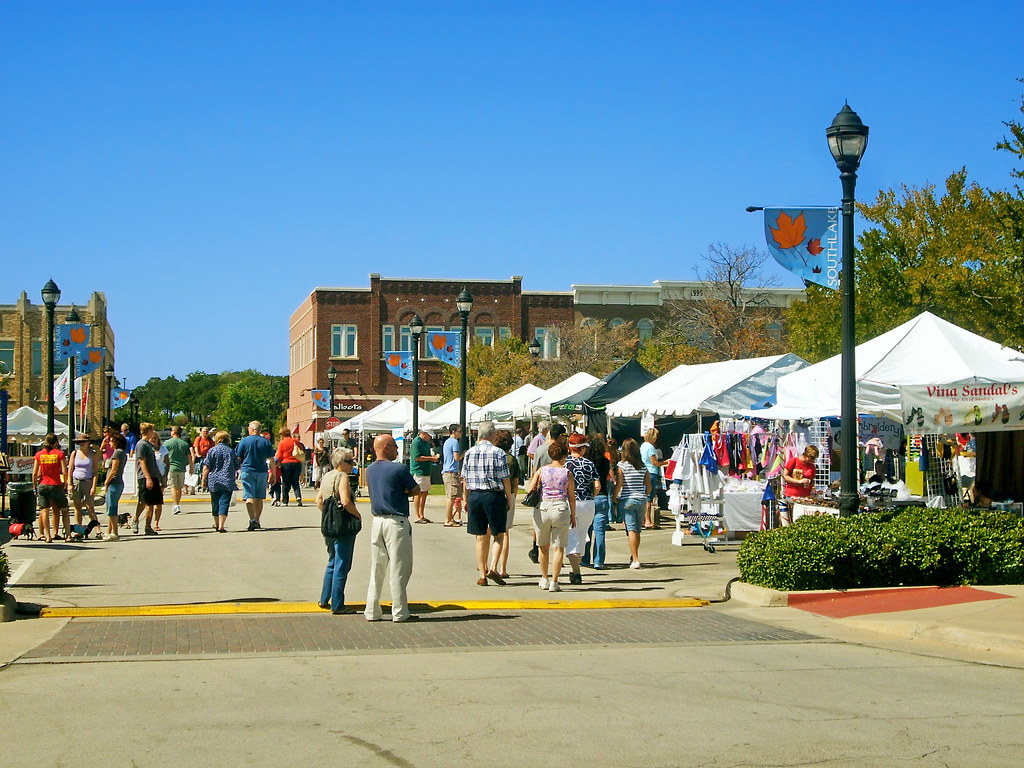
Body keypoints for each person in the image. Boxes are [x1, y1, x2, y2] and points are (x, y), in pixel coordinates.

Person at [363, 433, 419, 623]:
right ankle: (400, 611)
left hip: (377, 521)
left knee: (377, 568)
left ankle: (372, 610)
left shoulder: (370, 469)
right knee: (399, 568)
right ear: (386, 448)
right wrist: (403, 492)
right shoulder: (399, 469)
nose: (397, 449)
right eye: (394, 445)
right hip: (396, 521)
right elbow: (416, 489)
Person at [460, 421, 512, 587]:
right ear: (491, 435)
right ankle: (493, 567)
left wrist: (466, 498)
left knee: (480, 537)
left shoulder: (469, 452)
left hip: (475, 495)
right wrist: (509, 498)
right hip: (493, 495)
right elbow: (505, 478)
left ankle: (482, 574)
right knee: (498, 534)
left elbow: (465, 479)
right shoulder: (498, 452)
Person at [523, 440, 575, 592]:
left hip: (543, 507)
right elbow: (571, 497)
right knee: (558, 548)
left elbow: (529, 489)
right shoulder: (567, 473)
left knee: (543, 546)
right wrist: (573, 515)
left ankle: (544, 577)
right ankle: (555, 581)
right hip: (560, 507)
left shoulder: (541, 470)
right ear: (564, 456)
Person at [315, 447, 362, 614]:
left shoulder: (327, 476)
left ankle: (324, 598)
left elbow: (319, 500)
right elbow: (345, 501)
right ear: (341, 463)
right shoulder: (343, 477)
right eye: (349, 461)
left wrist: (328, 514)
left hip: (328, 524)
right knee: (342, 564)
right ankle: (337, 604)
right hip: (342, 525)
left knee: (332, 561)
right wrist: (357, 515)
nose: (352, 465)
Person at [528, 422, 567, 563]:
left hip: (541, 488)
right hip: (557, 491)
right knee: (558, 529)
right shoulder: (561, 450)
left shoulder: (540, 449)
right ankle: (556, 557)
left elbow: (535, 469)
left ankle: (536, 548)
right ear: (561, 436)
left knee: (539, 523)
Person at [564, 433, 599, 585]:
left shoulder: (564, 463)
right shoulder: (589, 464)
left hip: (568, 503)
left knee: (570, 537)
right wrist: (591, 495)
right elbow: (597, 485)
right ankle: (575, 568)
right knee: (582, 535)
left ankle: (576, 571)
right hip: (587, 503)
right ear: (583, 448)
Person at [489, 429, 522, 579]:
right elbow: (515, 482)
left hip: (491, 493)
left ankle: (487, 564)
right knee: (505, 532)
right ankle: (502, 567)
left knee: (488, 531)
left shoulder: (492, 456)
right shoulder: (511, 460)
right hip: (508, 494)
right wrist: (512, 497)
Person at [614, 438, 651, 569]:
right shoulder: (643, 467)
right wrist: (643, 495)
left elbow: (620, 484)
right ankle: (634, 555)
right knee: (637, 530)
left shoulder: (622, 466)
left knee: (631, 530)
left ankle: (635, 559)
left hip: (627, 499)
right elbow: (649, 486)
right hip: (641, 500)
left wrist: (614, 497)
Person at [236, 420, 276, 531]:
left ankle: (252, 519)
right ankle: (257, 520)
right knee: (259, 497)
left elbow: (238, 458)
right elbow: (271, 460)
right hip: (262, 471)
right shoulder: (266, 442)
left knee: (249, 496)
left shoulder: (244, 441)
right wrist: (273, 474)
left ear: (251, 429)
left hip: (247, 471)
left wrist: (234, 471)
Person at [33, 432, 69, 543]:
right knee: (64, 509)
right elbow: (64, 471)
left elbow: (34, 473)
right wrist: (65, 483)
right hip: (56, 484)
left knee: (44, 511)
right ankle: (67, 535)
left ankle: (47, 536)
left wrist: (34, 486)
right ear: (55, 442)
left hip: (43, 484)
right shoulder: (59, 454)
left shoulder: (39, 454)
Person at [203, 430, 239, 532]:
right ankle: (221, 526)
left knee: (215, 503)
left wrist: (203, 480)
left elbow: (206, 466)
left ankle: (216, 523)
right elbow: (236, 465)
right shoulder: (231, 451)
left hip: (213, 480)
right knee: (224, 502)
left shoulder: (212, 451)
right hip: (227, 479)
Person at [132, 423, 162, 535]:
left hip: (153, 476)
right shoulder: (141, 444)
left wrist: (159, 477)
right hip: (144, 477)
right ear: (148, 431)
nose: (154, 433)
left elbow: (153, 462)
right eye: (152, 430)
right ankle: (135, 519)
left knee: (151, 503)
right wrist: (148, 478)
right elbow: (142, 461)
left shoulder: (149, 445)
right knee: (143, 501)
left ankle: (148, 527)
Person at [588, 434, 613, 569]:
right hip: (602, 496)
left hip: (589, 498)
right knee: (600, 532)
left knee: (586, 531)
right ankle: (598, 560)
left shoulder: (587, 462)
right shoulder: (605, 462)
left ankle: (585, 559)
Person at [781, 444, 820, 525]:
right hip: (792, 496)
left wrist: (813, 490)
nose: (813, 460)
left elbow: (812, 480)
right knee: (792, 518)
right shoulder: (794, 461)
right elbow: (785, 476)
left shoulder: (812, 466)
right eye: (812, 458)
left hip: (806, 497)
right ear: (806, 455)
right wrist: (799, 481)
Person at [68, 434, 100, 530]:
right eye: (79, 442)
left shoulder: (93, 454)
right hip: (76, 481)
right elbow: (70, 469)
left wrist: (94, 486)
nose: (81, 444)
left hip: (88, 481)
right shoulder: (75, 453)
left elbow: (95, 472)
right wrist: (69, 483)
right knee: (77, 507)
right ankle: (79, 529)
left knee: (90, 507)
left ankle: (97, 529)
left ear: (88, 443)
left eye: (83, 442)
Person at [641, 427, 669, 529]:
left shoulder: (643, 446)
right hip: (651, 472)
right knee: (649, 497)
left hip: (644, 471)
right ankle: (648, 520)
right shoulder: (651, 448)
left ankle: (643, 519)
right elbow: (654, 463)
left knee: (644, 496)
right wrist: (666, 462)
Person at [102, 433, 127, 541]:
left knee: (112, 509)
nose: (110, 443)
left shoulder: (117, 453)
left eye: (111, 441)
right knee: (110, 509)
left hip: (114, 483)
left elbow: (114, 470)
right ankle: (109, 531)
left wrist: (106, 482)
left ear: (117, 442)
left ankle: (115, 533)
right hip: (117, 483)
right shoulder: (122, 453)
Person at [164, 426, 194, 515]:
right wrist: (191, 467)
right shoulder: (184, 444)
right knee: (179, 488)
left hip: (171, 468)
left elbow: (163, 455)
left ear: (173, 432)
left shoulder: (167, 443)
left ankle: (175, 505)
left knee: (173, 487)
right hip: (181, 468)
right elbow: (189, 457)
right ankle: (177, 504)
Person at [410, 428, 438, 523]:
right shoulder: (416, 442)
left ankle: (422, 514)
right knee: (418, 492)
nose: (429, 437)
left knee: (425, 492)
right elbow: (417, 457)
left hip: (426, 471)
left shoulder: (426, 443)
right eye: (428, 435)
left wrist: (432, 457)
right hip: (418, 470)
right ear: (423, 433)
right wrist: (430, 458)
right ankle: (417, 515)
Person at [275, 427, 304, 506]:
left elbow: (279, 455)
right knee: (295, 482)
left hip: (286, 464)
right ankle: (298, 497)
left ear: (282, 434)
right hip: (297, 463)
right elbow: (301, 450)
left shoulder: (282, 443)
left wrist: (277, 463)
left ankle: (285, 501)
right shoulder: (295, 441)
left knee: (285, 483)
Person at [441, 424, 464, 527]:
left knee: (451, 496)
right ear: (454, 431)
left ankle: (451, 518)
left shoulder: (447, 442)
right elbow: (456, 457)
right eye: (459, 431)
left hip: (448, 471)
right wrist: (464, 454)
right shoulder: (454, 442)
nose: (461, 433)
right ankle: (448, 519)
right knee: (451, 497)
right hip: (450, 472)